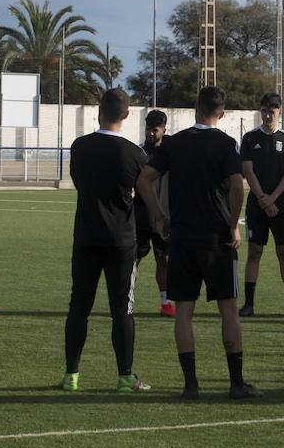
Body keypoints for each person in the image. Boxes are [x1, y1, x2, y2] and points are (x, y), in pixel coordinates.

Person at [140, 85, 260, 400]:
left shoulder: (174, 143)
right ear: (221, 113)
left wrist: (160, 217)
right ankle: (236, 384)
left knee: (184, 312)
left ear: (196, 107)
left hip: (181, 238)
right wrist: (233, 226)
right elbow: (237, 187)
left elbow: (143, 180)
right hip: (216, 239)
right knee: (228, 310)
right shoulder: (226, 144)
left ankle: (191, 385)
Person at [62, 88, 153, 393]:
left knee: (79, 306)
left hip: (86, 236)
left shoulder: (80, 146)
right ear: (126, 116)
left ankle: (71, 374)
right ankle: (125, 375)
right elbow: (141, 192)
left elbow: (78, 183)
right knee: (122, 309)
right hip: (121, 240)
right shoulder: (135, 153)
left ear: (98, 112)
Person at [238, 93, 284, 318]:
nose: (267, 115)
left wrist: (272, 199)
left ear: (279, 112)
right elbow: (248, 170)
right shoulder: (249, 138)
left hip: (282, 205)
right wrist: (263, 200)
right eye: (264, 111)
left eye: (272, 112)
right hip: (257, 205)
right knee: (254, 252)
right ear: (260, 111)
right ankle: (248, 304)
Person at [136, 109, 175, 318]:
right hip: (141, 215)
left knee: (165, 260)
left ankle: (165, 302)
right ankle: (126, 299)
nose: (151, 134)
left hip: (165, 216)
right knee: (133, 260)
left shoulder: (172, 152)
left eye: (155, 130)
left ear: (164, 129)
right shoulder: (139, 153)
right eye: (148, 129)